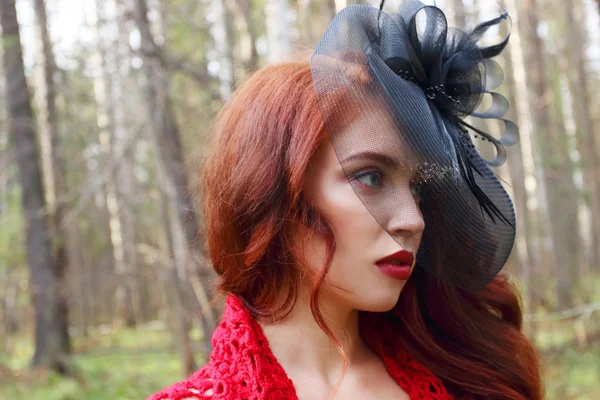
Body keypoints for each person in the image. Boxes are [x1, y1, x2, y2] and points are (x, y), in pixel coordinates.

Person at [148, 1, 543, 399]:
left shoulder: (471, 379)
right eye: (370, 177)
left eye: (418, 188)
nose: (414, 220)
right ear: (273, 191)